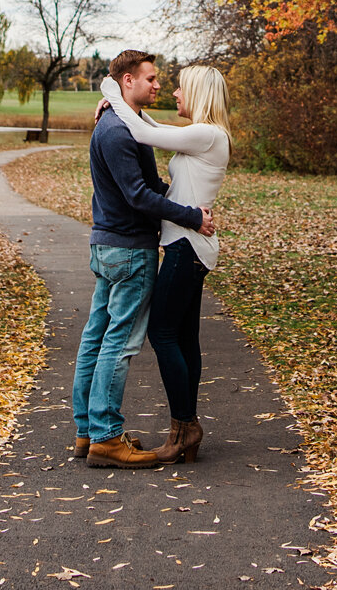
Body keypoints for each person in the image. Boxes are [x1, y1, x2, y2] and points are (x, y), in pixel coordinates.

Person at [71, 50, 214, 470]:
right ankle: (105, 437)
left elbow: (149, 184)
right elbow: (138, 195)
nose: (157, 86)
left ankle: (87, 431)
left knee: (97, 337)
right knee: (119, 341)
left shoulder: (119, 123)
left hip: (111, 245)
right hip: (127, 250)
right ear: (128, 81)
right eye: (150, 79)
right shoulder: (117, 130)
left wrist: (181, 196)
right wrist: (192, 216)